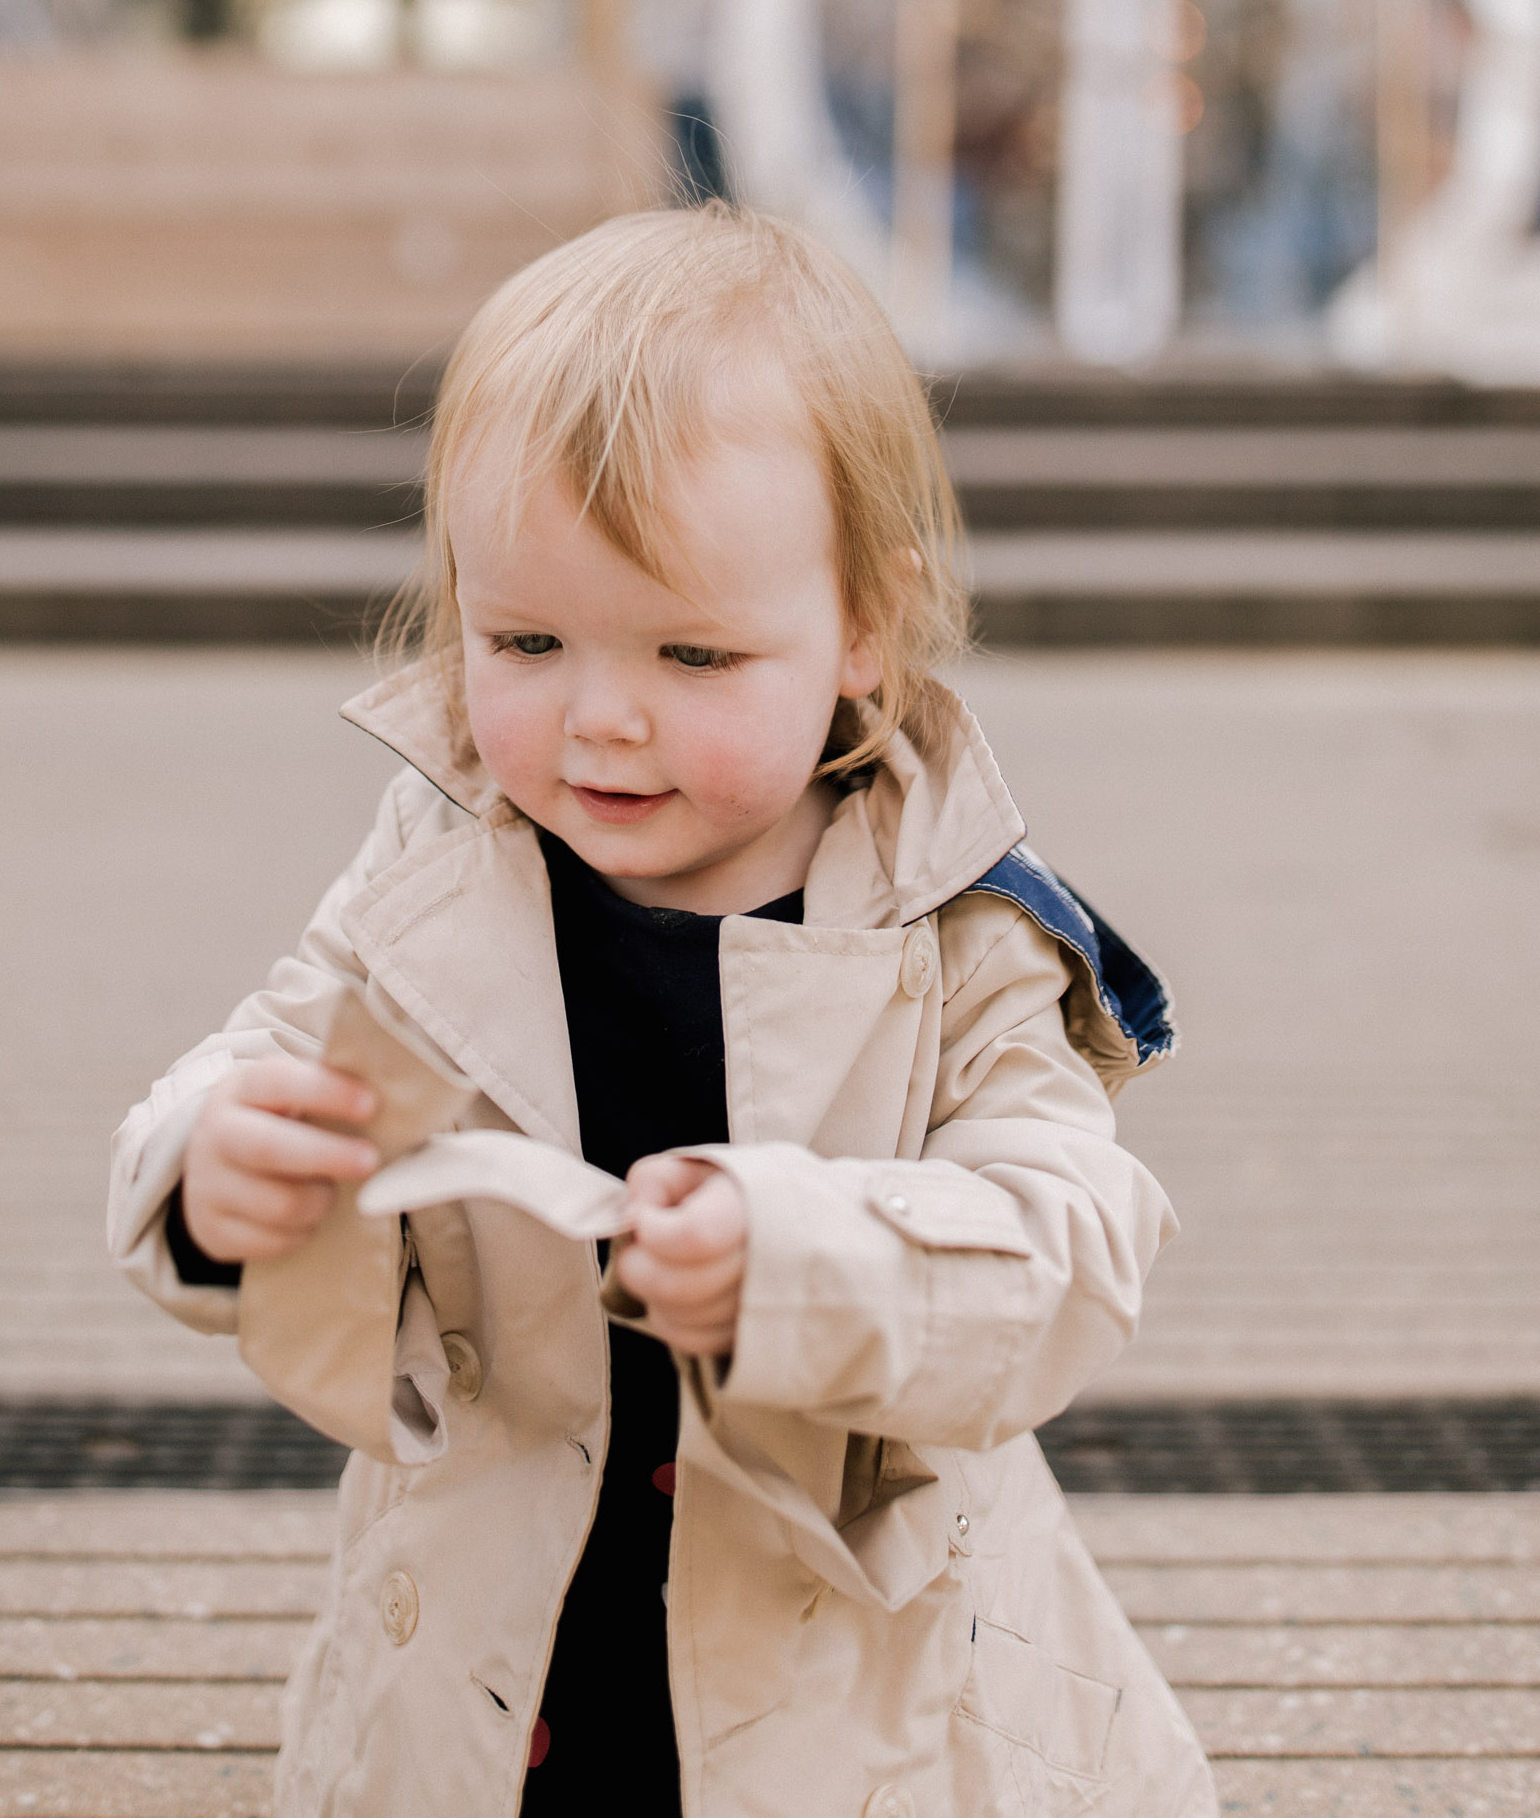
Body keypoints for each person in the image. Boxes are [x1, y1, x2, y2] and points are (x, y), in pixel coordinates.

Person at [109, 202, 1216, 1818]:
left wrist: (809, 1257)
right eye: (527, 639)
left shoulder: (958, 928)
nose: (600, 720)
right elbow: (271, 1058)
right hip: (511, 1641)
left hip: (850, 1673)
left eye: (694, 653)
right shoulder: (441, 878)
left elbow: (1070, 1243)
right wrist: (221, 1172)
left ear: (866, 630)